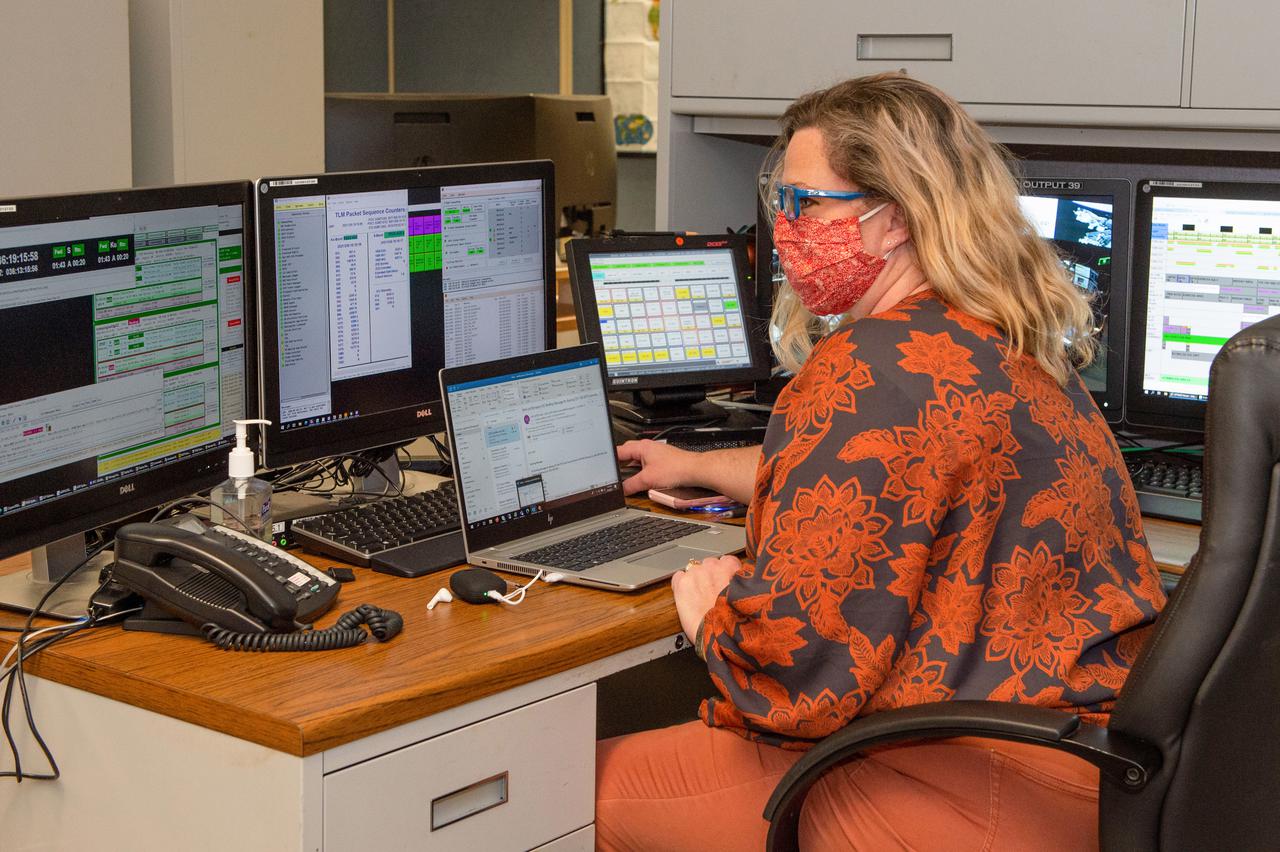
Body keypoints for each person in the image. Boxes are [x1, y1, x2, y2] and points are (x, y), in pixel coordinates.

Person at [595, 73, 1165, 851]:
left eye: (803, 205)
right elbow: (886, 481)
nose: (783, 227)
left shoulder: (866, 369)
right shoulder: (1007, 337)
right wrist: (687, 465)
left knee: (566, 792)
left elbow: (796, 675)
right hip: (1079, 768)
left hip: (951, 781)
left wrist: (712, 624)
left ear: (891, 218)